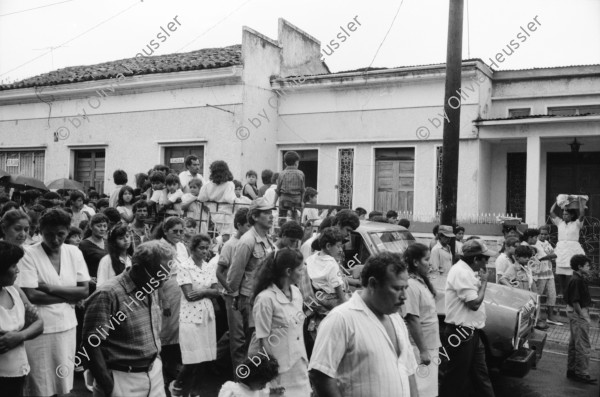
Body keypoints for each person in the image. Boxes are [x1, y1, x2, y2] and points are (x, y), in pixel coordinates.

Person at [309, 251, 418, 397]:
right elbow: (320, 375)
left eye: (406, 288)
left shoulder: (397, 319)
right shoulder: (341, 319)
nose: (404, 296)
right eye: (397, 288)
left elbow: (409, 370)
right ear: (373, 284)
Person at [83, 240, 175, 397]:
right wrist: (109, 385)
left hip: (153, 374)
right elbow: (91, 345)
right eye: (157, 278)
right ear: (137, 268)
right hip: (122, 378)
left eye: (164, 278)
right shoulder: (108, 294)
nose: (160, 284)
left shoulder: (149, 285)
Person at [17, 208, 91, 397]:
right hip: (40, 329)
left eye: (61, 234)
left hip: (67, 326)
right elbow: (32, 295)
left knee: (62, 381)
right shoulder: (28, 253)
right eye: (49, 234)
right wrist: (70, 297)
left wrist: (48, 288)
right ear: (40, 232)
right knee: (39, 382)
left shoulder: (74, 252)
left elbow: (84, 290)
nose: (55, 239)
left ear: (68, 231)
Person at [440, 239, 496, 397]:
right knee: (455, 376)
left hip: (471, 331)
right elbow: (474, 304)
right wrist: (484, 282)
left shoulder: (468, 271)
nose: (488, 262)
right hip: (461, 332)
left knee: (480, 374)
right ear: (476, 259)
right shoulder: (461, 272)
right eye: (486, 259)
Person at [251, 248, 311, 396]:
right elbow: (263, 340)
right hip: (278, 371)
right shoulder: (265, 299)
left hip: (300, 366)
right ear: (288, 271)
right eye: (300, 269)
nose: (303, 273)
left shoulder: (297, 293)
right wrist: (271, 377)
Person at [169, 234, 221, 396]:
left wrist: (204, 292)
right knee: (192, 358)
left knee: (204, 358)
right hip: (190, 317)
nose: (205, 251)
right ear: (192, 249)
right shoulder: (184, 266)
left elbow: (217, 291)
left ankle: (194, 391)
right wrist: (208, 291)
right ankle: (177, 386)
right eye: (201, 248)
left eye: (207, 248)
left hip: (207, 316)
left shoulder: (208, 267)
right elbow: (189, 295)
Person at [226, 197, 275, 369]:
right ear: (254, 216)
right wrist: (235, 298)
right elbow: (235, 273)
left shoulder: (267, 239)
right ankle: (244, 384)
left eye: (271, 212)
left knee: (261, 341)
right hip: (249, 299)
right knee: (251, 344)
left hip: (264, 297)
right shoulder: (248, 241)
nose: (271, 216)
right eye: (266, 213)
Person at [0, 242, 44, 397]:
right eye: (13, 266)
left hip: (19, 370)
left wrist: (18, 336)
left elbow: (40, 324)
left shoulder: (14, 290)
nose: (17, 270)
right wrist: (27, 327)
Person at [154, 216, 189, 390]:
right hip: (167, 290)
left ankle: (172, 364)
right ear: (165, 231)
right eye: (174, 231)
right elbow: (157, 278)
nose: (178, 234)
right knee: (166, 329)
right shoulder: (160, 247)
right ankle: (162, 366)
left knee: (177, 328)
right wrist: (163, 299)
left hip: (181, 291)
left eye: (181, 231)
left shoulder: (182, 246)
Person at [403, 243, 440, 397]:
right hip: (420, 346)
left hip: (430, 342)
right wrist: (423, 351)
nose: (430, 263)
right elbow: (412, 319)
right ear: (415, 262)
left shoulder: (420, 281)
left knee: (429, 385)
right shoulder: (411, 285)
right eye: (426, 259)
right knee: (421, 387)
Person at [217, 208, 250, 369]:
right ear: (239, 225)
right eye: (248, 226)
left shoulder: (251, 242)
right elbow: (219, 272)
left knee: (237, 332)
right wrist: (230, 291)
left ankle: (211, 358)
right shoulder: (230, 245)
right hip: (234, 296)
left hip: (246, 295)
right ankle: (240, 377)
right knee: (238, 338)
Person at [565, 254, 597, 384]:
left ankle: (572, 370)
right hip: (578, 312)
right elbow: (576, 301)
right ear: (580, 266)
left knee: (575, 342)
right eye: (587, 265)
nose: (589, 267)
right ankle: (581, 372)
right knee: (583, 344)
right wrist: (584, 317)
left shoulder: (576, 278)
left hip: (573, 312)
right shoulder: (577, 280)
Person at [306, 227, 348, 313]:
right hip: (332, 298)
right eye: (338, 246)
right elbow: (338, 288)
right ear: (328, 246)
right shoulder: (331, 263)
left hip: (319, 297)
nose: (341, 250)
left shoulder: (311, 258)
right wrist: (345, 306)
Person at [550, 200, 585, 298]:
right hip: (561, 249)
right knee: (560, 271)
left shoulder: (577, 223)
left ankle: (570, 291)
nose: (564, 216)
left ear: (572, 216)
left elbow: (582, 214)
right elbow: (551, 212)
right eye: (564, 214)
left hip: (572, 249)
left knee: (570, 271)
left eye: (567, 214)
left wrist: (580, 202)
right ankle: (561, 291)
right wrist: (557, 202)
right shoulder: (560, 223)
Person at [199, 160, 237, 237]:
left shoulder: (208, 184)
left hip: (214, 214)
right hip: (227, 214)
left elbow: (201, 198)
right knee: (228, 235)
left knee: (216, 234)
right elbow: (230, 198)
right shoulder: (229, 184)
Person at [536, 225, 562, 326]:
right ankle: (536, 317)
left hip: (549, 272)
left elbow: (554, 254)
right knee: (538, 295)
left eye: (545, 234)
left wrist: (549, 256)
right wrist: (550, 256)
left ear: (548, 235)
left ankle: (550, 317)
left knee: (552, 295)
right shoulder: (536, 244)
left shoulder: (547, 243)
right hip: (540, 273)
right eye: (541, 234)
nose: (543, 236)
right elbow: (544, 256)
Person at [273, 151, 305, 226]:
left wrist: (274, 203)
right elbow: (302, 190)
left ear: (285, 163)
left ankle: (281, 232)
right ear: (296, 162)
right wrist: (302, 201)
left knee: (282, 219)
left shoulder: (282, 174)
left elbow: (278, 191)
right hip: (296, 201)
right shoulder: (301, 173)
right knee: (295, 219)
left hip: (284, 201)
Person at [79, 213, 109, 289]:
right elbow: (78, 265)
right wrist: (87, 277)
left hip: (108, 282)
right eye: (99, 226)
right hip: (93, 284)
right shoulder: (83, 245)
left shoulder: (109, 242)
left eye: (104, 226)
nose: (102, 229)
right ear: (91, 227)